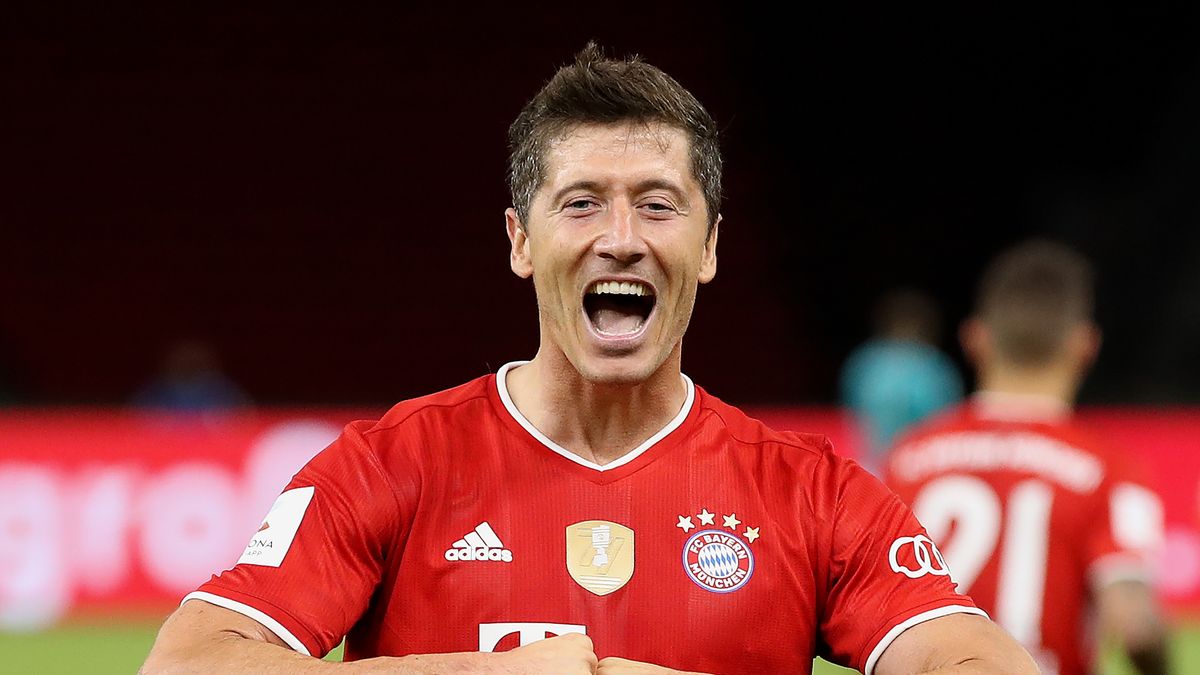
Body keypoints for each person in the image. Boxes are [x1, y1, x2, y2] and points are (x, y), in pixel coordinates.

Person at [140, 42, 1038, 675]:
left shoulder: (815, 495)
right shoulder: (388, 466)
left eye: (657, 204)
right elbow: (185, 666)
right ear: (519, 240)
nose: (620, 239)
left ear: (712, 245)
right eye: (580, 204)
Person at [882, 239, 1170, 675]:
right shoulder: (1108, 469)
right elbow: (1136, 627)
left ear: (975, 338)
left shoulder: (906, 457)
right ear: (1085, 346)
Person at [840, 287, 964, 476]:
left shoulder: (862, 362)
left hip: (870, 468)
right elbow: (947, 421)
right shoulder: (934, 366)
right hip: (920, 469)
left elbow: (850, 410)